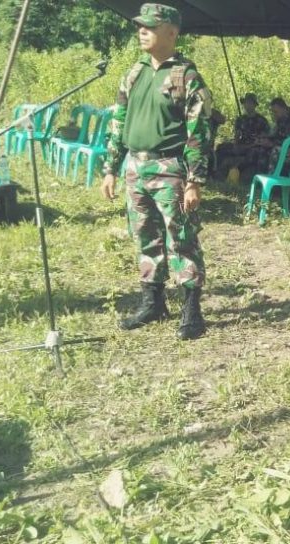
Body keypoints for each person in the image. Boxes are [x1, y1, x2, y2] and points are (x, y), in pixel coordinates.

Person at [101, 3, 212, 341]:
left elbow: (199, 132)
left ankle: (191, 309)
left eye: (150, 26)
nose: (142, 31)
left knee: (181, 239)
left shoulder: (186, 76)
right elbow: (118, 122)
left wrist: (194, 180)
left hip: (170, 170)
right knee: (145, 236)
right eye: (140, 26)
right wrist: (111, 168)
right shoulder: (133, 73)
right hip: (136, 165)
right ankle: (153, 303)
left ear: (171, 33)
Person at [215, 93, 271, 181]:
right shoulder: (240, 120)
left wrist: (254, 143)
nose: (247, 105)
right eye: (246, 103)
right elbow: (237, 135)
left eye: (250, 103)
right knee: (221, 147)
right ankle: (217, 173)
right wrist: (236, 145)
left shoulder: (262, 121)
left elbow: (265, 138)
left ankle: (243, 172)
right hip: (242, 145)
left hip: (254, 146)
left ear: (254, 105)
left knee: (255, 152)